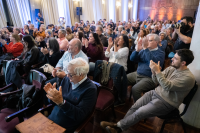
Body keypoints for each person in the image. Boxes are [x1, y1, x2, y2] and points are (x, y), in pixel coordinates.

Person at [100, 49, 195, 133]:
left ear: (183, 63)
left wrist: (158, 72)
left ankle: (117, 126)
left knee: (140, 112)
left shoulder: (188, 78)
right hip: (155, 93)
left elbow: (167, 86)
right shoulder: (171, 68)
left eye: (175, 58)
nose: (172, 59)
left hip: (166, 102)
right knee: (135, 107)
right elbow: (156, 82)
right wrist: (154, 72)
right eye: (173, 57)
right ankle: (119, 128)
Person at [44, 58, 97, 132]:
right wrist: (52, 95)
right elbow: (54, 102)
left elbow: (79, 116)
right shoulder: (67, 79)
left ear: (80, 74)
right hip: (52, 120)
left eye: (70, 74)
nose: (67, 75)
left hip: (65, 127)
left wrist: (62, 103)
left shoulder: (90, 90)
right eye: (67, 72)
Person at [127, 34, 165, 102]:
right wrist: (137, 50)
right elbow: (132, 59)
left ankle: (139, 108)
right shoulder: (144, 50)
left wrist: (145, 49)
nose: (147, 42)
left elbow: (152, 63)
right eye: (146, 40)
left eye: (149, 40)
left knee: (135, 89)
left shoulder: (160, 53)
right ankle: (120, 99)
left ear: (156, 42)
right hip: (138, 73)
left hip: (150, 77)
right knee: (123, 79)